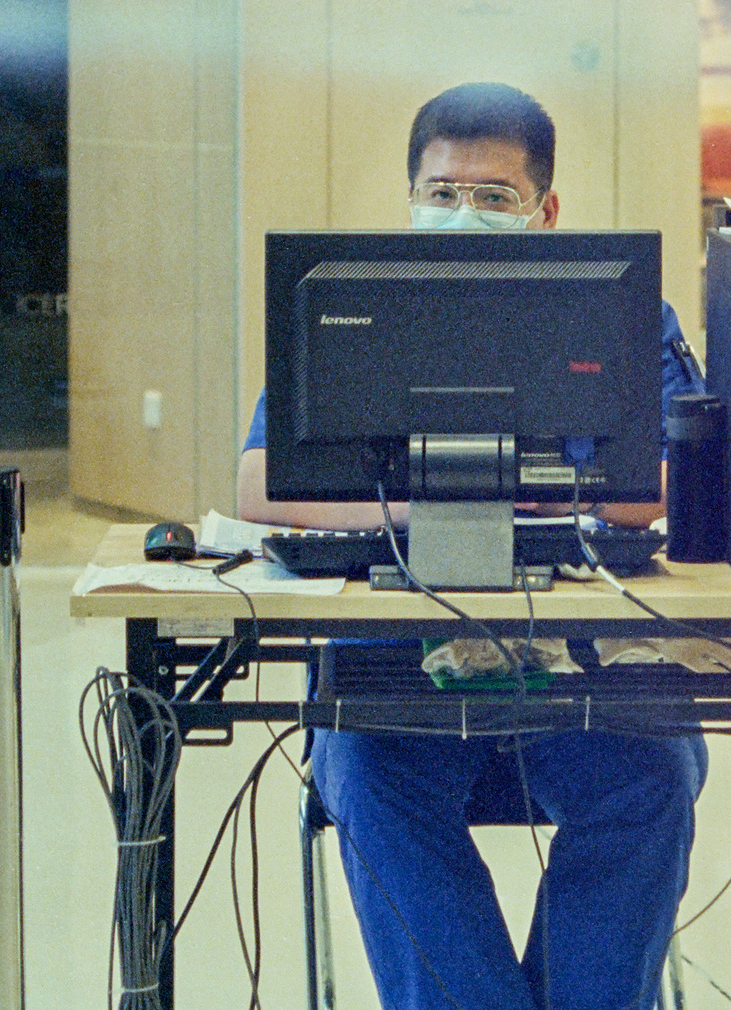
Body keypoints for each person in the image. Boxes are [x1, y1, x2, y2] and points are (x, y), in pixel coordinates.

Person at [238, 81, 706, 1010]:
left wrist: (479, 500)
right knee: (367, 779)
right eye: (442, 192)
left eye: (494, 196)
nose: (464, 213)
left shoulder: (626, 320)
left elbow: (664, 487)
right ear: (409, 198)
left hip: (581, 659)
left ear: (546, 211)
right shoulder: (351, 306)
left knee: (653, 778)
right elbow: (262, 486)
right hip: (395, 658)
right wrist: (435, 511)